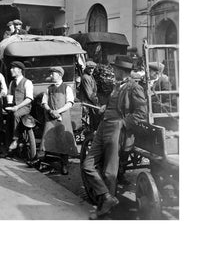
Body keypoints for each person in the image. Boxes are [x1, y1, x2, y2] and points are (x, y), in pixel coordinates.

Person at [80, 55, 147, 218]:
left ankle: (106, 210)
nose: (113, 70)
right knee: (87, 165)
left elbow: (141, 113)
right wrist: (106, 106)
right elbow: (115, 104)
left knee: (110, 173)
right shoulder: (117, 85)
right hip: (104, 125)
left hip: (116, 128)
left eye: (115, 68)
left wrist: (122, 124)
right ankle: (107, 197)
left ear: (121, 70)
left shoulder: (133, 87)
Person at [38, 67, 78, 175]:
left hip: (63, 118)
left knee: (63, 141)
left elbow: (70, 103)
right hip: (51, 118)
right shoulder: (48, 89)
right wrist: (50, 110)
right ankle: (48, 163)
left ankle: (64, 164)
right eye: (50, 74)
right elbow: (44, 102)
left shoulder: (66, 88)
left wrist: (58, 111)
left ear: (59, 75)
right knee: (48, 140)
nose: (51, 76)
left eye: (53, 74)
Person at [5, 61, 34, 151]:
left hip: (24, 107)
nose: (11, 70)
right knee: (7, 119)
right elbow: (9, 95)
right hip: (14, 106)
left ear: (20, 70)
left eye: (13, 68)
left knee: (16, 115)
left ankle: (15, 140)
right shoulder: (11, 83)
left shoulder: (27, 82)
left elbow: (29, 99)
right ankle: (7, 144)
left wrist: (17, 107)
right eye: (11, 68)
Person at [79, 60, 101, 132]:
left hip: (91, 101)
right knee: (92, 121)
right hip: (87, 103)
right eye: (90, 68)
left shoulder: (90, 76)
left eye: (93, 68)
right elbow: (89, 94)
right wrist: (97, 102)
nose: (91, 70)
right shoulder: (86, 77)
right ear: (86, 68)